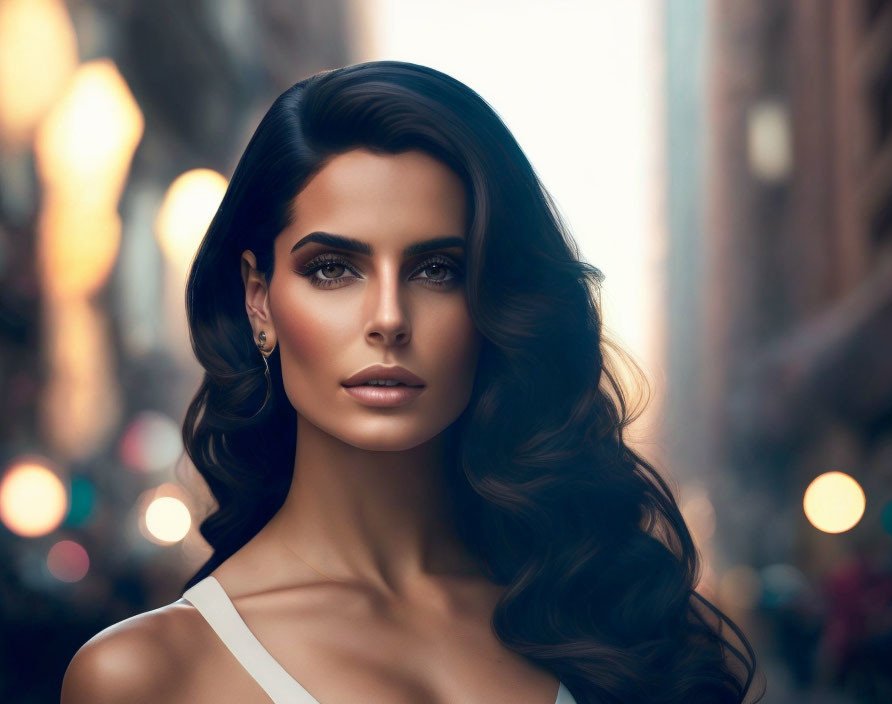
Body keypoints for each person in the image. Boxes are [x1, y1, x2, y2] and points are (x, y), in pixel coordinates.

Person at [61, 61, 761, 704]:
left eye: (437, 270)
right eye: (333, 269)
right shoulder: (150, 675)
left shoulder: (609, 618)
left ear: (492, 305)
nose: (389, 319)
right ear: (257, 299)